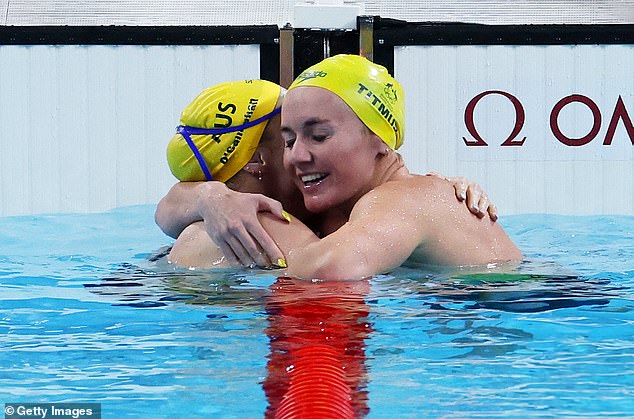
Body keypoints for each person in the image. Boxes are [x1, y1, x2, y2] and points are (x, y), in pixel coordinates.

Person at [157, 79, 499, 270]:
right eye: (289, 138)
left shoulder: (377, 204)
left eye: (316, 135)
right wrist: (209, 197)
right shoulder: (257, 227)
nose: (301, 154)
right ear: (258, 160)